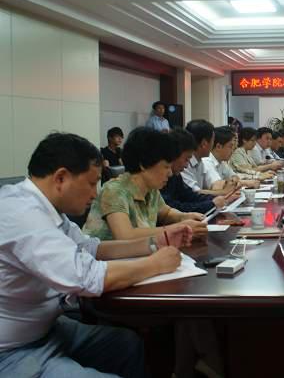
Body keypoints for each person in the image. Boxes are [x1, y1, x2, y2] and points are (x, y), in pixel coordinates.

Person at [0, 132, 191, 378]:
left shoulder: (49, 209)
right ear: (61, 178)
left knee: (127, 345)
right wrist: (155, 264)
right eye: (92, 183)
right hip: (13, 351)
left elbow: (91, 248)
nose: (94, 193)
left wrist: (153, 243)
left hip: (48, 330)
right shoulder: (21, 214)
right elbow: (87, 277)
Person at [82, 127, 208, 241]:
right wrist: (178, 228)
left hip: (138, 255)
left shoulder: (151, 189)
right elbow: (125, 235)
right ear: (144, 164)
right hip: (100, 258)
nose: (170, 173)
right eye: (166, 167)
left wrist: (184, 217)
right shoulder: (115, 190)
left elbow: (166, 213)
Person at [162, 128, 240, 214]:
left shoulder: (177, 174)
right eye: (186, 159)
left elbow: (190, 196)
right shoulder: (165, 177)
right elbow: (174, 206)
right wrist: (212, 203)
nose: (187, 165)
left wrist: (218, 199)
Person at [181, 120, 238, 196]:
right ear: (204, 144)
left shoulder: (200, 161)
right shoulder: (185, 163)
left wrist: (229, 183)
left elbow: (215, 184)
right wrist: (224, 192)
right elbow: (194, 193)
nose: (213, 145)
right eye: (213, 141)